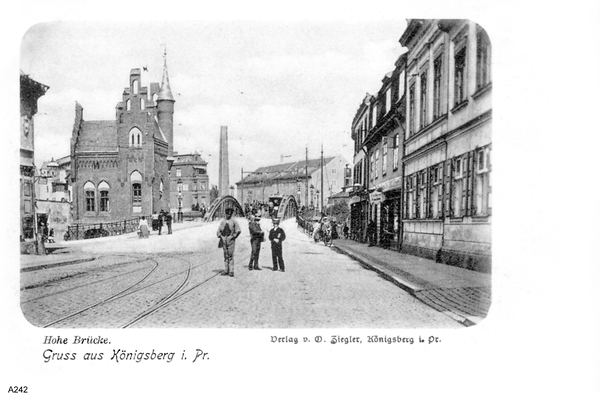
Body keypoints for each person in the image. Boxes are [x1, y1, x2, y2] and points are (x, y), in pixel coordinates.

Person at [217, 208, 241, 277]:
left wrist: (234, 236)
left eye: (230, 214)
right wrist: (221, 237)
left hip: (231, 241)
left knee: (230, 256)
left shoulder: (234, 221)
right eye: (227, 214)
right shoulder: (223, 222)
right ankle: (226, 270)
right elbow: (218, 231)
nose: (228, 215)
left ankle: (231, 271)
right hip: (224, 241)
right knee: (225, 255)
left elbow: (238, 230)